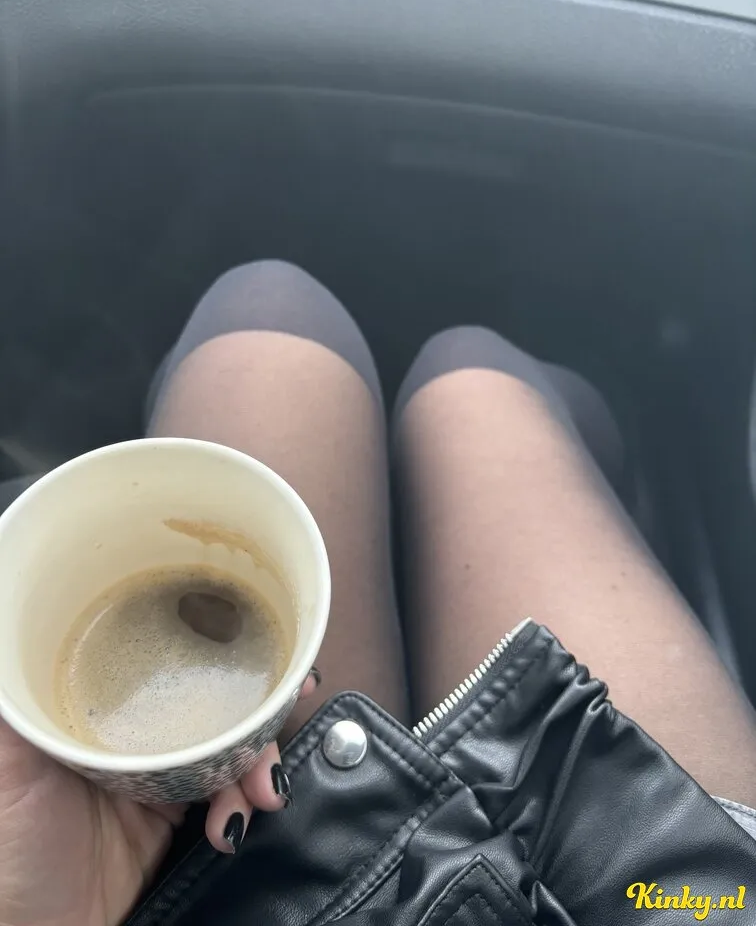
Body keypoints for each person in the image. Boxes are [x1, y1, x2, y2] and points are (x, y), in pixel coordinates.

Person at [1, 259, 755, 926]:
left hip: (259, 896)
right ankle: (621, 480)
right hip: (674, 899)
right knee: (475, 378)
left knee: (268, 308)